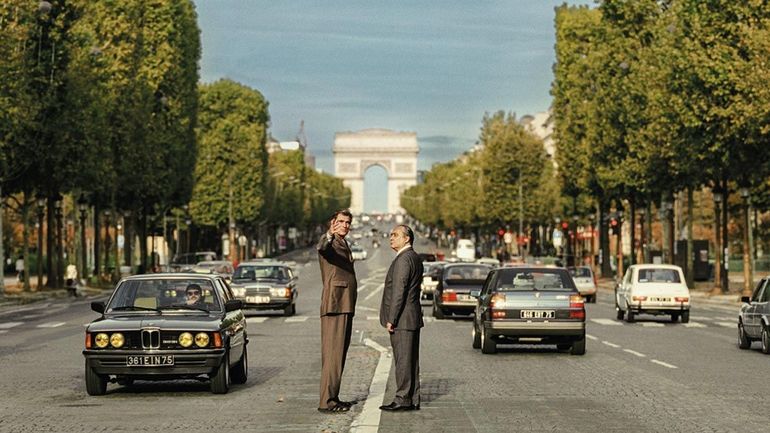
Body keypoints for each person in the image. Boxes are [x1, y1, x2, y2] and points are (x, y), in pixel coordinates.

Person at [316, 209, 358, 413]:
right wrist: (329, 235)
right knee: (333, 354)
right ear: (332, 223)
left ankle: (333, 396)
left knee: (338, 354)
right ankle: (327, 401)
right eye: (341, 221)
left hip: (343, 304)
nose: (345, 225)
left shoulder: (343, 242)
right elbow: (322, 248)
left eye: (348, 222)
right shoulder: (331, 242)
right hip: (335, 304)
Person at [379, 224, 423, 412]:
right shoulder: (414, 257)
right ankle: (412, 398)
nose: (391, 238)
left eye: (395, 235)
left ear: (407, 238)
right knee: (411, 361)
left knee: (403, 361)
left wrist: (392, 318)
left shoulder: (403, 259)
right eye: (391, 235)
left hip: (403, 319)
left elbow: (399, 291)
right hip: (411, 317)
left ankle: (402, 398)